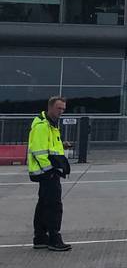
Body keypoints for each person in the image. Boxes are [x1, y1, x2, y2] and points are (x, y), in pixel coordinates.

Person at [28, 96, 71, 251]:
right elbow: (38, 151)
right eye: (59, 108)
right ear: (50, 107)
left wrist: (62, 145)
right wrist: (50, 171)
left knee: (44, 203)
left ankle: (40, 237)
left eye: (63, 109)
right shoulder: (42, 125)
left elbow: (49, 146)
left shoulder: (51, 125)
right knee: (54, 205)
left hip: (48, 171)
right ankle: (54, 237)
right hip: (47, 172)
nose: (61, 111)